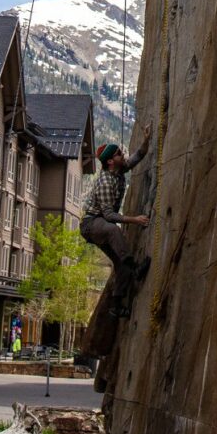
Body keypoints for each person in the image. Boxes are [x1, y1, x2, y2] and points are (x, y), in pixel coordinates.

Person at [80, 122, 153, 317]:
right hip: (92, 224)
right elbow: (109, 216)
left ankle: (116, 306)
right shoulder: (105, 181)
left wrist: (146, 140)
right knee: (113, 230)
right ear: (111, 161)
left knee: (120, 265)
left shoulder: (119, 170)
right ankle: (135, 267)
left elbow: (138, 156)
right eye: (119, 154)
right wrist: (135, 220)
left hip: (102, 224)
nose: (123, 155)